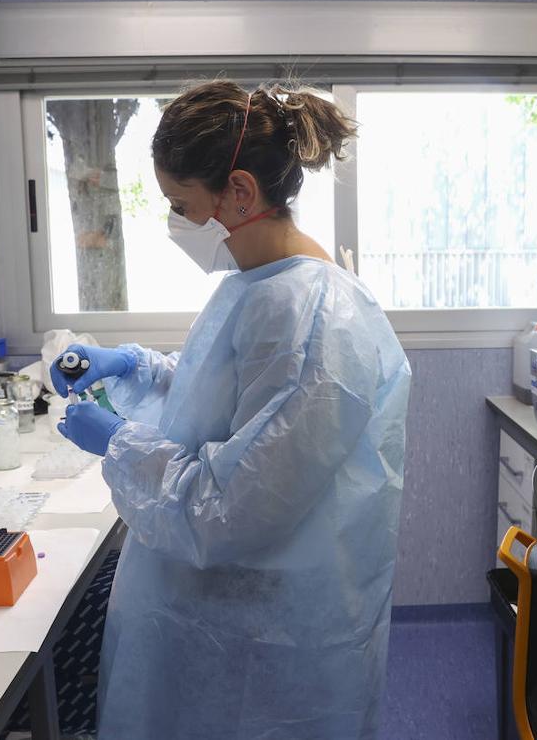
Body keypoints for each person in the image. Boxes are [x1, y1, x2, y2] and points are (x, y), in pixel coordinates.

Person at [51, 80, 412, 739]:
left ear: (240, 192)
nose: (177, 223)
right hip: (227, 609)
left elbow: (228, 508)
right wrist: (138, 369)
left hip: (268, 634)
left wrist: (120, 442)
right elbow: (226, 408)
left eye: (181, 205)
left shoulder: (315, 319)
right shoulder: (258, 286)